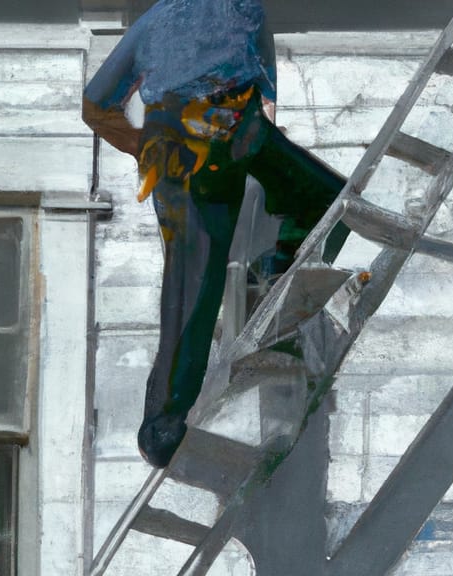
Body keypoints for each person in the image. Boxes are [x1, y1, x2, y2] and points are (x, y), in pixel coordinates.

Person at [83, 0, 348, 468]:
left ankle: (275, 266)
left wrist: (255, 129)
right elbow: (96, 104)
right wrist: (144, 143)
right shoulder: (160, 21)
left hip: (243, 136)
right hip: (185, 155)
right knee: (192, 289)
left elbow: (263, 91)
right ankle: (163, 425)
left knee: (334, 202)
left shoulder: (248, 10)